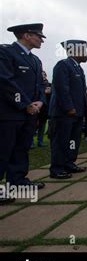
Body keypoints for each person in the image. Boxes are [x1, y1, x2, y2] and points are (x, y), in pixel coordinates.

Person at [0, 23, 47, 203]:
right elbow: (5, 81)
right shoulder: (5, 52)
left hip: (30, 113)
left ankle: (18, 182)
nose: (41, 40)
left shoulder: (35, 60)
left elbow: (40, 85)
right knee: (3, 150)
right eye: (38, 36)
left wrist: (40, 101)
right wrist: (25, 104)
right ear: (27, 35)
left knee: (21, 149)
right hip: (9, 113)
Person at [49, 40, 87, 177]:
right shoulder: (63, 65)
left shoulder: (78, 68)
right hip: (65, 112)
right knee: (61, 140)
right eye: (84, 51)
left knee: (73, 140)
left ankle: (69, 162)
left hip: (77, 112)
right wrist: (69, 107)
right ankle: (57, 168)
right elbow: (62, 89)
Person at [35, 71, 52, 147]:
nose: (43, 76)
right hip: (36, 106)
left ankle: (40, 141)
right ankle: (31, 143)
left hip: (45, 108)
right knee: (33, 125)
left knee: (42, 125)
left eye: (44, 75)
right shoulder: (36, 83)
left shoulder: (49, 85)